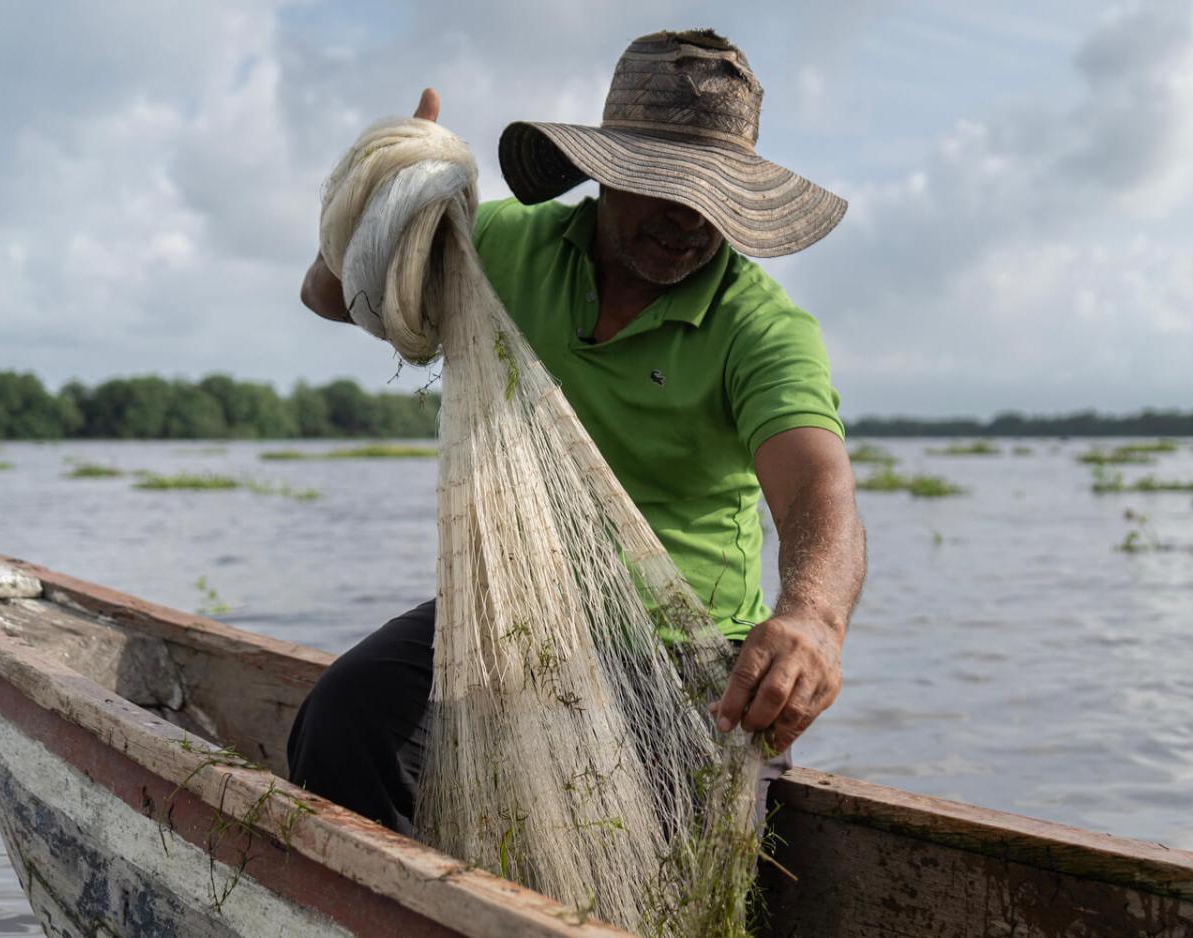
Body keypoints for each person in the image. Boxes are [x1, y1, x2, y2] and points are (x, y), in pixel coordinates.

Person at [286, 28, 865, 836]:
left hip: (682, 648)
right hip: (512, 617)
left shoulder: (760, 328)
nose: (686, 217)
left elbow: (817, 486)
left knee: (673, 842)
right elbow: (329, 295)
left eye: (709, 195)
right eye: (661, 184)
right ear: (605, 171)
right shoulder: (501, 249)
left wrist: (812, 618)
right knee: (346, 719)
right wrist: (387, 186)